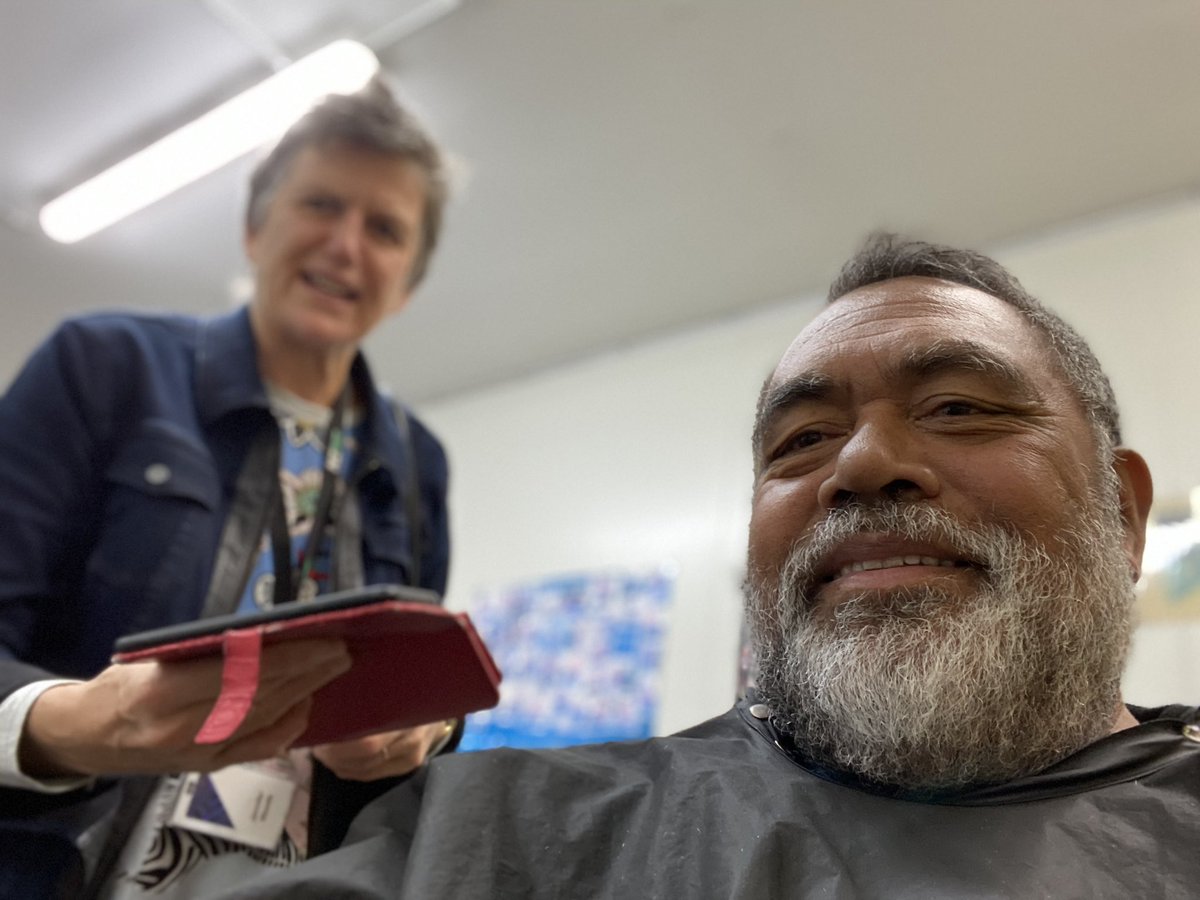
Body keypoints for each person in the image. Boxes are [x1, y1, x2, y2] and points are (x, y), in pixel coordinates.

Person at [226, 234, 1200, 899]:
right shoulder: (519, 834)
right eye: (804, 437)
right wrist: (69, 740)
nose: (858, 464)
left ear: (1121, 513)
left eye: (957, 407)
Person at [0, 78, 459, 898]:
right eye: (321, 203)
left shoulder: (418, 463)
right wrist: (84, 724)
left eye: (385, 229)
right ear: (255, 229)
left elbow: (417, 696)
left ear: (409, 285)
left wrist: (423, 726)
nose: (346, 244)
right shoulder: (102, 367)